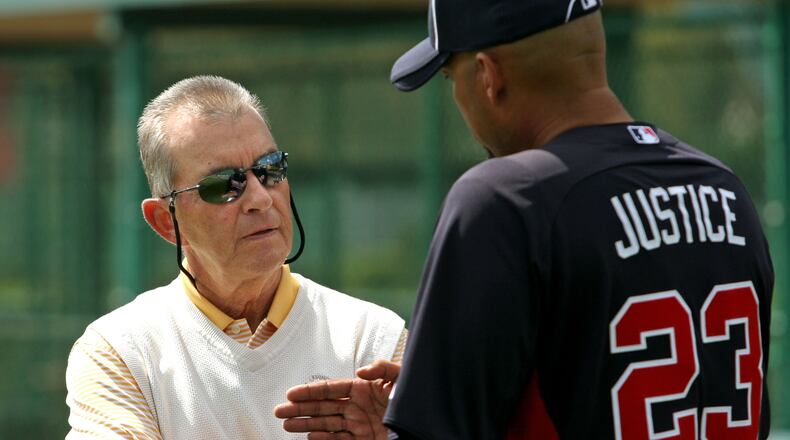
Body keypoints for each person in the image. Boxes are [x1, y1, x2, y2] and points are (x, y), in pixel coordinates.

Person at [274, 0, 774, 438]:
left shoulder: (505, 199)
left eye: (451, 76)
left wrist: (415, 422)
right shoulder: (723, 189)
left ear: (489, 75)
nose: (456, 96)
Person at [65, 75, 407, 439]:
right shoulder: (120, 353)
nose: (260, 198)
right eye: (223, 185)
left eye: (270, 169)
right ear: (166, 220)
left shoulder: (374, 341)